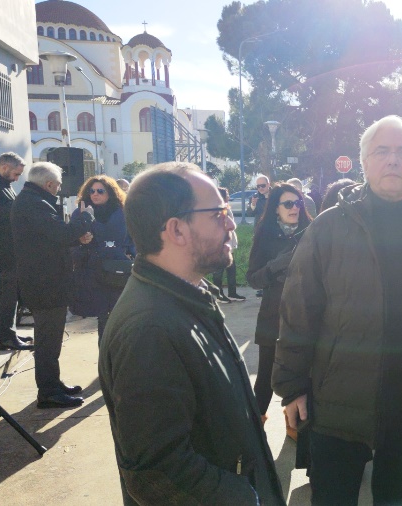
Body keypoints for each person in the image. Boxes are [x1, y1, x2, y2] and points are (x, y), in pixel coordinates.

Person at [272, 115, 402, 505]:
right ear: (365, 162)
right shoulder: (328, 228)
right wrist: (292, 386)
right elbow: (298, 310)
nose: (393, 160)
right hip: (337, 403)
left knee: (397, 499)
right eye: (382, 151)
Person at [98, 162, 285, 505]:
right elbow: (158, 472)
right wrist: (245, 498)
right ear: (177, 230)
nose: (231, 224)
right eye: (218, 214)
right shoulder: (148, 331)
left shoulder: (186, 296)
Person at [12, 162, 94, 408]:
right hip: (44, 284)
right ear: (49, 184)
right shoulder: (34, 203)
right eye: (58, 185)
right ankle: (48, 391)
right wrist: (85, 218)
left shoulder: (32, 200)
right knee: (48, 341)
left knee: (51, 338)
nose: (59, 189)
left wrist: (75, 237)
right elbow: (60, 234)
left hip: (46, 282)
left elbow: (50, 238)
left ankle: (53, 383)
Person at [246, 183, 312, 431]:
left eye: (298, 203)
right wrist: (276, 265)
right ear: (276, 208)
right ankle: (254, 428)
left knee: (304, 376)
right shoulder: (265, 235)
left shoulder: (311, 232)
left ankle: (294, 423)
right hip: (273, 317)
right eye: (288, 204)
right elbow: (253, 279)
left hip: (305, 317)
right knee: (265, 378)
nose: (295, 208)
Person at [69, 176, 134, 340]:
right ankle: (105, 353)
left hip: (119, 270)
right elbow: (70, 240)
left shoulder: (123, 211)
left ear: (110, 192)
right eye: (91, 191)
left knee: (120, 316)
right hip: (93, 271)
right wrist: (81, 240)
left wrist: (130, 254)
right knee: (103, 317)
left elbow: (133, 237)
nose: (95, 194)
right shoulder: (81, 212)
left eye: (100, 191)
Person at [0, 152, 31, 350]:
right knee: (7, 295)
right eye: (16, 174)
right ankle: (6, 336)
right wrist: (19, 209)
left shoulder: (4, 186)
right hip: (1, 250)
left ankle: (4, 335)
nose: (17, 178)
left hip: (8, 249)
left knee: (4, 294)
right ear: (4, 167)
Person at [212, 187, 246, 303]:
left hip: (229, 243)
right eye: (227, 195)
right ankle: (218, 294)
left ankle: (232, 293)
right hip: (220, 243)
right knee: (219, 270)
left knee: (231, 269)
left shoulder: (226, 207)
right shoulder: (217, 208)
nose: (229, 196)